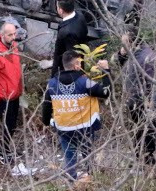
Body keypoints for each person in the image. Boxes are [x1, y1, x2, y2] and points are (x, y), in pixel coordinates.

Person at [42, 49, 111, 182]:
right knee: (87, 153)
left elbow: (46, 105)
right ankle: (92, 178)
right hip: (84, 127)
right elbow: (106, 92)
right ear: (76, 65)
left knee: (69, 155)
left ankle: (71, 181)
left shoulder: (52, 83)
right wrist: (106, 71)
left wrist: (46, 121)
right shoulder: (84, 82)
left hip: (64, 129)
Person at [0, 21, 27, 172]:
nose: (13, 37)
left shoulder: (13, 46)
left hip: (14, 94)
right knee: (7, 126)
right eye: (10, 35)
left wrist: (19, 89)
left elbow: (15, 70)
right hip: (4, 97)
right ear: (2, 35)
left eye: (14, 34)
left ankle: (3, 149)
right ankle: (2, 152)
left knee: (11, 124)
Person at [51, 0, 90, 77]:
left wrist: (54, 76)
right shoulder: (80, 15)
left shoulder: (67, 32)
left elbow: (71, 57)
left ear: (61, 10)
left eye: (57, 7)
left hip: (67, 70)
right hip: (81, 54)